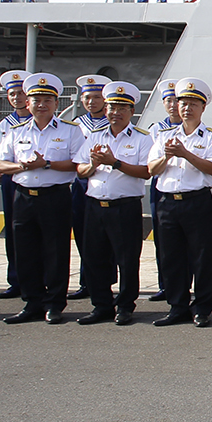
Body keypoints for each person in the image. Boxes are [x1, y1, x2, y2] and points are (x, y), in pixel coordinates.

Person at [0, 73, 81, 324]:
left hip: (55, 196)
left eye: (47, 100)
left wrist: (47, 164)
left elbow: (78, 164)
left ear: (56, 104)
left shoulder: (70, 130)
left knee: (56, 251)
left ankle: (54, 304)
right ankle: (32, 303)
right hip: (23, 196)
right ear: (28, 103)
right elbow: (0, 163)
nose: (41, 105)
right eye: (36, 100)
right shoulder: (15, 131)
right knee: (25, 251)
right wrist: (21, 166)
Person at [146, 78, 212, 327]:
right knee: (171, 256)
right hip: (167, 201)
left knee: (201, 256)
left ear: (203, 107)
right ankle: (177, 306)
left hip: (196, 200)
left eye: (192, 104)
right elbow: (152, 169)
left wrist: (185, 154)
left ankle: (202, 308)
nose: (187, 108)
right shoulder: (164, 136)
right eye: (183, 103)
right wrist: (167, 156)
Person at [74, 81, 154, 325]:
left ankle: (125, 306)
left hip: (124, 206)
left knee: (126, 259)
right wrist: (93, 164)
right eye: (111, 107)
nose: (115, 112)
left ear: (131, 111)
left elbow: (146, 172)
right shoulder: (94, 136)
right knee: (94, 258)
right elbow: (80, 170)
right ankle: (101, 305)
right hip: (95, 205)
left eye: (122, 108)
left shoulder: (142, 138)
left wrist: (115, 162)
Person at [65, 75, 109, 301]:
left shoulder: (112, 123)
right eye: (87, 97)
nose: (92, 102)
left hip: (105, 181)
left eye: (97, 97)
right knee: (83, 234)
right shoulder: (75, 124)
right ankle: (86, 281)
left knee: (105, 237)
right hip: (82, 181)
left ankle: (104, 281)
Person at [0, 70, 32, 300]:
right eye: (12, 94)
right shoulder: (5, 124)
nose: (17, 98)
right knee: (14, 229)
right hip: (11, 178)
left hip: (39, 178)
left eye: (21, 93)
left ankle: (41, 280)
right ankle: (16, 279)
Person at [145, 79, 179, 302]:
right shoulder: (156, 129)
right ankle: (164, 284)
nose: (173, 105)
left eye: (177, 100)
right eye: (169, 101)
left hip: (184, 185)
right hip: (161, 185)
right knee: (163, 239)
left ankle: (182, 285)